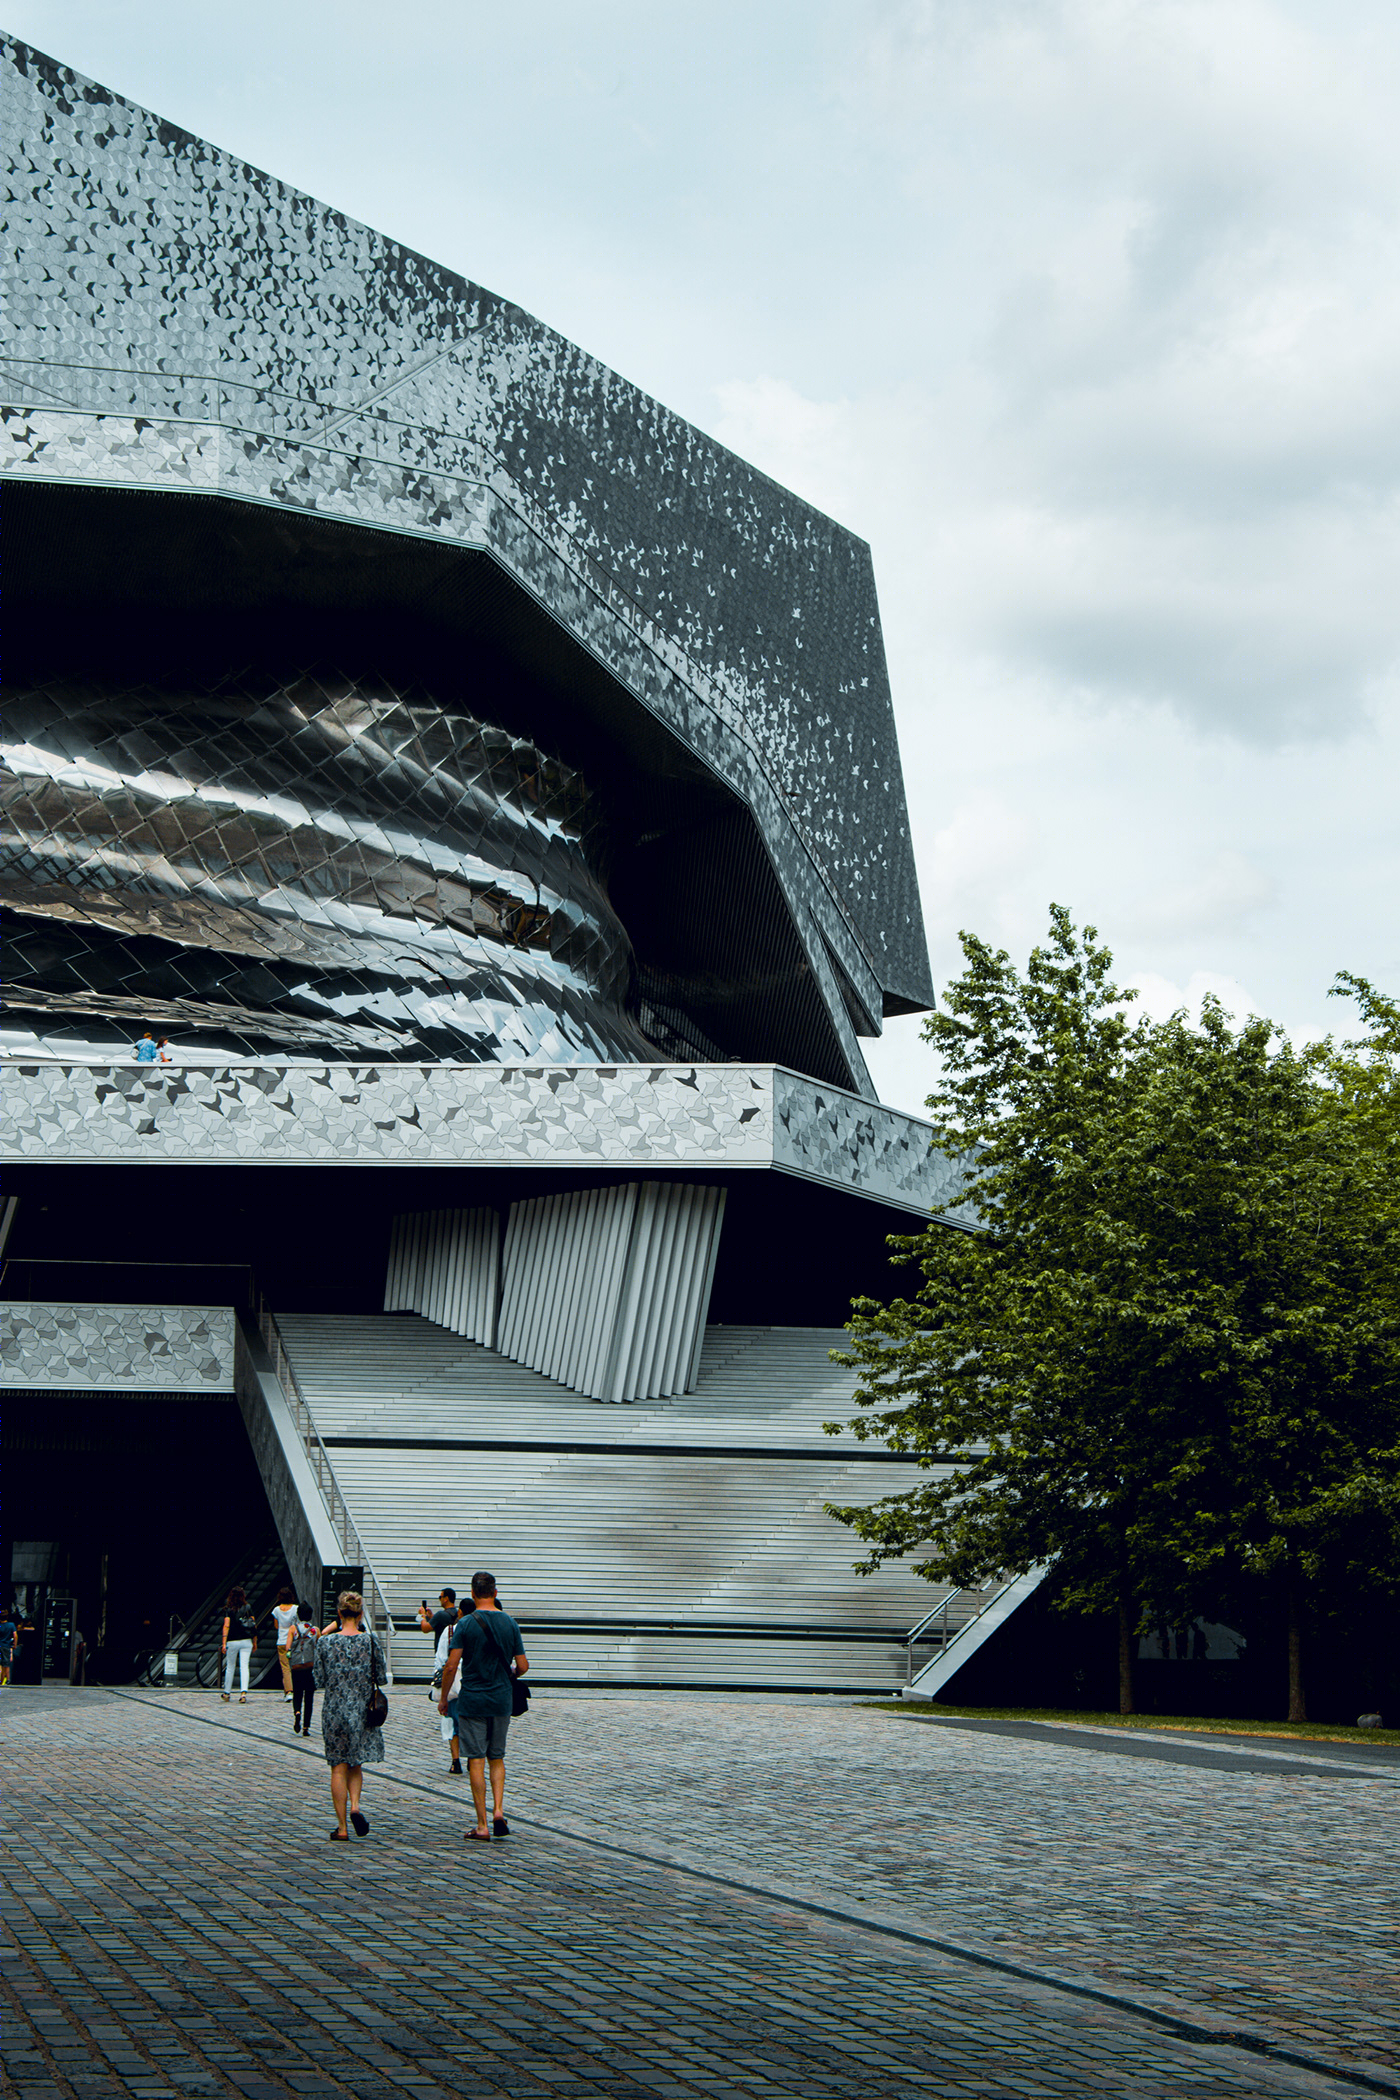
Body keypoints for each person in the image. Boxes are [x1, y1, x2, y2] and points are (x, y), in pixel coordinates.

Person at [438, 1571, 527, 1842]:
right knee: (496, 1757)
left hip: (473, 1699)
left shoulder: (465, 1625)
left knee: (475, 1759)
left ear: (473, 1594)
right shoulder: (510, 1623)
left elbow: (451, 1665)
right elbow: (523, 1666)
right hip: (501, 1700)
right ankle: (499, 1811)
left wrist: (443, 1698)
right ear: (495, 1593)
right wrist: (507, 1674)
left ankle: (482, 1824)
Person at [312, 1589, 386, 1841]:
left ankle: (342, 1827)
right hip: (362, 1710)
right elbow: (383, 1677)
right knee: (356, 1763)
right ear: (360, 1613)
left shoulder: (326, 1642)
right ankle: (355, 1806)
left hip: (334, 1710)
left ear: (339, 1613)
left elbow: (319, 1679)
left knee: (338, 1767)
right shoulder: (371, 1641)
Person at [288, 1600, 319, 1736]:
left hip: (296, 1666)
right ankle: (306, 1727)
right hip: (310, 1666)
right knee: (309, 1696)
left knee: (297, 1693)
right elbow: (318, 1647)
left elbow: (287, 1648)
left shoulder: (293, 1629)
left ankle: (297, 1712)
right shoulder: (315, 1630)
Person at [221, 1586, 257, 1702]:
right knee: (244, 1666)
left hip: (232, 1641)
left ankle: (227, 1693)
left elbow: (226, 1625)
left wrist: (223, 1643)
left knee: (230, 1667)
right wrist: (255, 1641)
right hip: (246, 1640)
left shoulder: (228, 1609)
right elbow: (253, 1625)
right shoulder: (247, 1607)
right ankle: (243, 1693)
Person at [271, 1586, 298, 1702]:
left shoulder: (276, 1610)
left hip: (281, 1641)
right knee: (295, 1666)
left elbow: (276, 1626)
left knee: (285, 1668)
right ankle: (296, 1689)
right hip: (293, 1641)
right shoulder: (296, 1609)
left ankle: (288, 1691)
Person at [0, 1605, 16, 1687]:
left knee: (1, 1665)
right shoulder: (11, 1625)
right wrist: (14, 1645)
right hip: (6, 1646)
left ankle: (1, 1681)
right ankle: (8, 1680)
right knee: (6, 1664)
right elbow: (15, 1635)